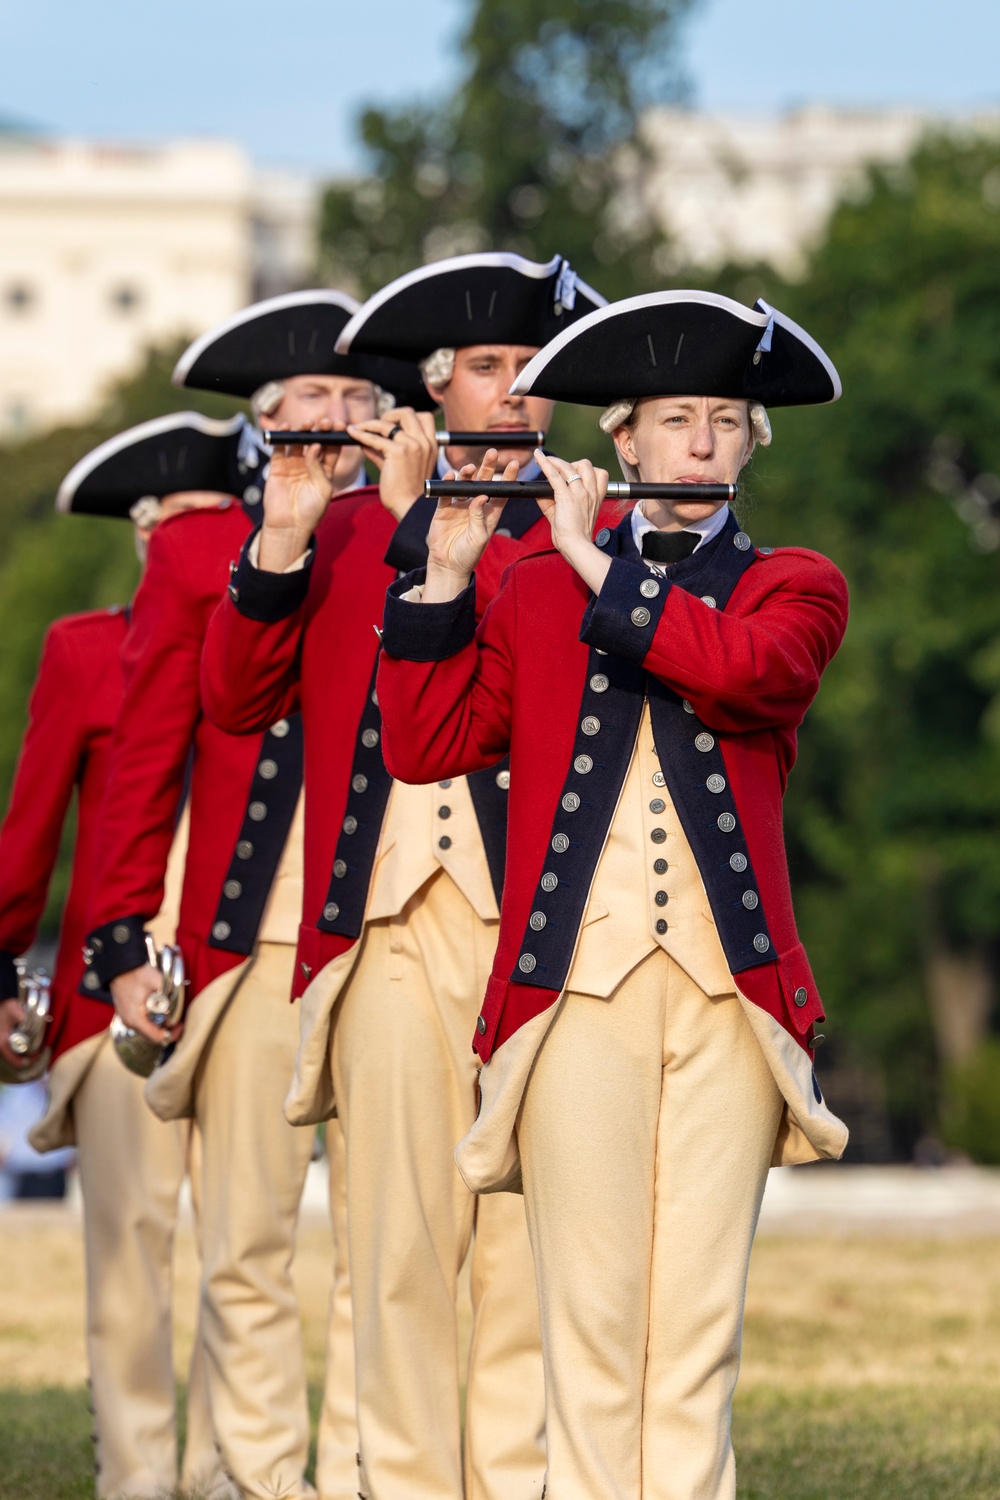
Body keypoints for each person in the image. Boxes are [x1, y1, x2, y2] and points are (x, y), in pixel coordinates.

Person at [375, 290, 852, 1500]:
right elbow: (428, 742)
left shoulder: (791, 584)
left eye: (727, 422)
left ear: (751, 447)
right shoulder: (528, 582)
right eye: (674, 419)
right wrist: (439, 574)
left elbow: (746, 678)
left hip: (727, 998)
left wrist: (590, 563)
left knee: (693, 1335)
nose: (700, 443)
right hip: (571, 992)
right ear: (622, 441)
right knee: (588, 1328)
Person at [200, 252, 607, 1500]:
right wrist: (285, 527)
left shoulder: (584, 542)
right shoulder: (348, 528)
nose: (519, 394)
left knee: (526, 1261)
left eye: (536, 373)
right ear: (433, 389)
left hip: (535, 934)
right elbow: (233, 696)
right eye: (490, 369)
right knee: (396, 1252)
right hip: (379, 930)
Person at [82, 291, 419, 1500]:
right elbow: (144, 754)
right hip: (253, 934)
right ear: (263, 422)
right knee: (249, 1244)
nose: (336, 420)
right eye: (311, 402)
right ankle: (260, 1482)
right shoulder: (194, 551)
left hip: (396, 921)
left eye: (355, 398)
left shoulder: (425, 530)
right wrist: (123, 933)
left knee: (390, 1245)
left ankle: (368, 1475)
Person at [0, 411, 241, 1500]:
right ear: (146, 536)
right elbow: (32, 827)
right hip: (109, 1007)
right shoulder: (84, 649)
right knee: (129, 1263)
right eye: (176, 527)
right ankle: (137, 1480)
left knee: (246, 1257)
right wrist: (7, 968)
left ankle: (232, 1471)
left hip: (240, 983)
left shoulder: (271, 637)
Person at [335, 249, 605, 611]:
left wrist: (413, 510)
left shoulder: (601, 518)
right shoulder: (352, 520)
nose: (514, 392)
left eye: (530, 368)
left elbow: (541, 612)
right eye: (485, 367)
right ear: (436, 382)